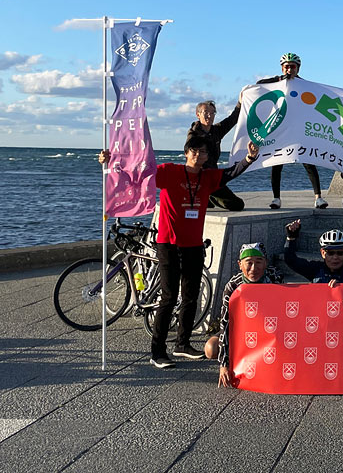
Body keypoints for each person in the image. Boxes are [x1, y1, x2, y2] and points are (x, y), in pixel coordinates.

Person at [99, 137, 259, 369]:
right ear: (186, 153)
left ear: (207, 156)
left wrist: (249, 158)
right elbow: (138, 173)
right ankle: (157, 351)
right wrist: (112, 160)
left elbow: (230, 173)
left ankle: (182, 344)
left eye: (202, 152)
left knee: (191, 296)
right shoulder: (169, 172)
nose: (198, 155)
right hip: (169, 244)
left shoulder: (207, 177)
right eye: (194, 150)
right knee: (169, 297)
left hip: (193, 245)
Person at [205, 242, 283, 388]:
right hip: (240, 332)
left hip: (267, 330)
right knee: (211, 349)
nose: (254, 268)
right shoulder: (233, 286)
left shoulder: (274, 278)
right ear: (240, 264)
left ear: (265, 263)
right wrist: (224, 364)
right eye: (249, 263)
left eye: (258, 262)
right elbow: (225, 323)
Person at [257, 52, 328, 210]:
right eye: (286, 67)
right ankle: (276, 198)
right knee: (277, 163)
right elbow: (259, 84)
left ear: (298, 68)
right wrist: (278, 80)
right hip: (281, 129)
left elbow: (322, 93)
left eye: (293, 67)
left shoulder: (304, 84)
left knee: (309, 161)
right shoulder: (277, 82)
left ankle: (318, 197)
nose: (289, 70)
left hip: (299, 129)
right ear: (282, 68)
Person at [186, 97, 245, 211]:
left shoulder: (216, 131)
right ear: (198, 114)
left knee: (238, 204)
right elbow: (189, 152)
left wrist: (240, 102)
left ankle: (206, 196)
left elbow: (232, 119)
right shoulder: (193, 134)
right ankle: (203, 193)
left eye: (213, 113)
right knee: (237, 205)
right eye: (206, 112)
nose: (210, 116)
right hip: (200, 179)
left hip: (213, 177)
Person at [283, 219, 343, 285]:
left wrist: (341, 287)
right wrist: (291, 238)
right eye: (330, 253)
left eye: (340, 253)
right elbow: (290, 260)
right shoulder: (315, 269)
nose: (335, 257)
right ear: (323, 253)